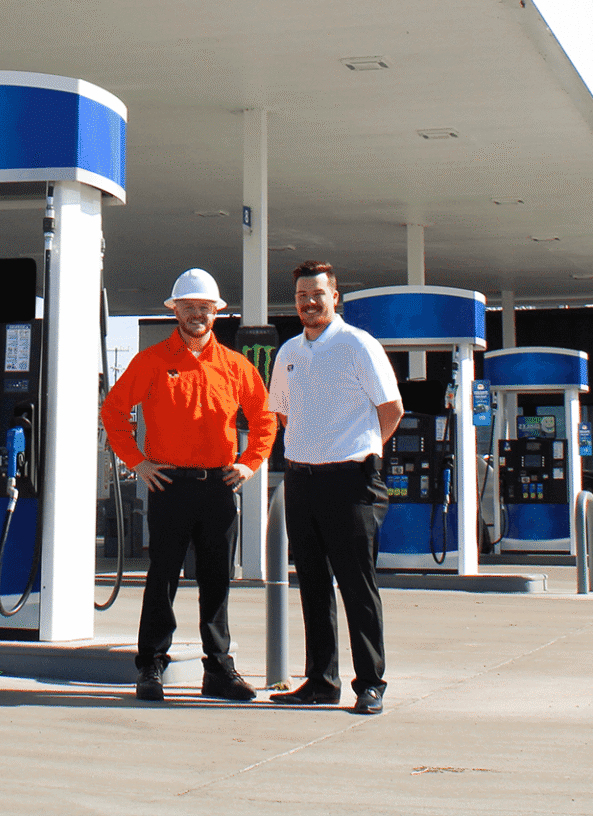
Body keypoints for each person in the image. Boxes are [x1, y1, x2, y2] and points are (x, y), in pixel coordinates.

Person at [101, 268, 276, 703]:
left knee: (217, 582)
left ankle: (218, 669)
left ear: (216, 313)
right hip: (169, 486)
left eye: (205, 307)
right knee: (161, 580)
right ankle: (151, 668)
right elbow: (113, 412)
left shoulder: (236, 366)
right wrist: (139, 464)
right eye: (189, 306)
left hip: (218, 487)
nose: (197, 314)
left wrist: (250, 463)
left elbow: (265, 418)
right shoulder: (152, 361)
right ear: (174, 310)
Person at [267, 259, 403, 715]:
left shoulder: (357, 345)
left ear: (335, 297)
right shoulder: (288, 353)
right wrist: (314, 448)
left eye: (318, 294)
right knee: (312, 586)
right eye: (302, 295)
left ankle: (370, 683)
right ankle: (321, 680)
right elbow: (283, 414)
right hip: (303, 479)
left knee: (357, 585)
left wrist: (361, 448)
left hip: (352, 480)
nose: (309, 302)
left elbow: (391, 409)